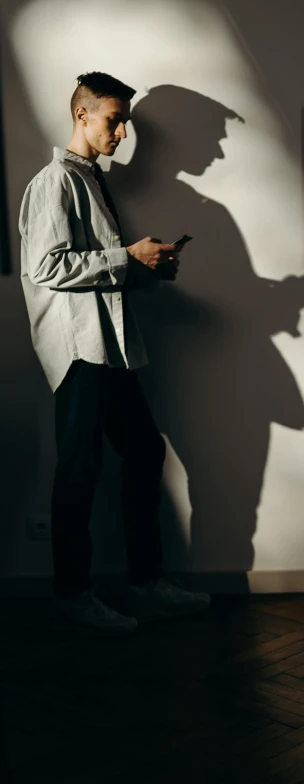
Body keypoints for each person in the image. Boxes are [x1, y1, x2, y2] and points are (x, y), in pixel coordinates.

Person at [18, 71, 211, 634]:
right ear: (82, 115)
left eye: (125, 121)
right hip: (81, 352)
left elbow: (102, 269)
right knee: (80, 472)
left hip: (112, 348)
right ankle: (72, 594)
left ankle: (145, 585)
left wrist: (149, 268)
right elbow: (47, 267)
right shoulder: (55, 182)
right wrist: (128, 256)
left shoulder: (93, 181)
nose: (123, 132)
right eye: (114, 119)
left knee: (144, 455)